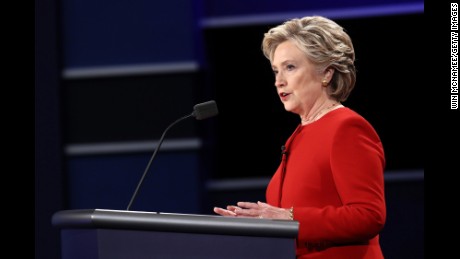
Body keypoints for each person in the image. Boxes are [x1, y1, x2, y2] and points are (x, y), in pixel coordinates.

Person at [213, 15, 386, 258]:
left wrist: (289, 218)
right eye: (275, 70)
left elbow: (369, 215)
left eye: (290, 67)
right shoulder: (300, 134)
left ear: (326, 73)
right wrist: (252, 225)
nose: (278, 81)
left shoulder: (347, 128)